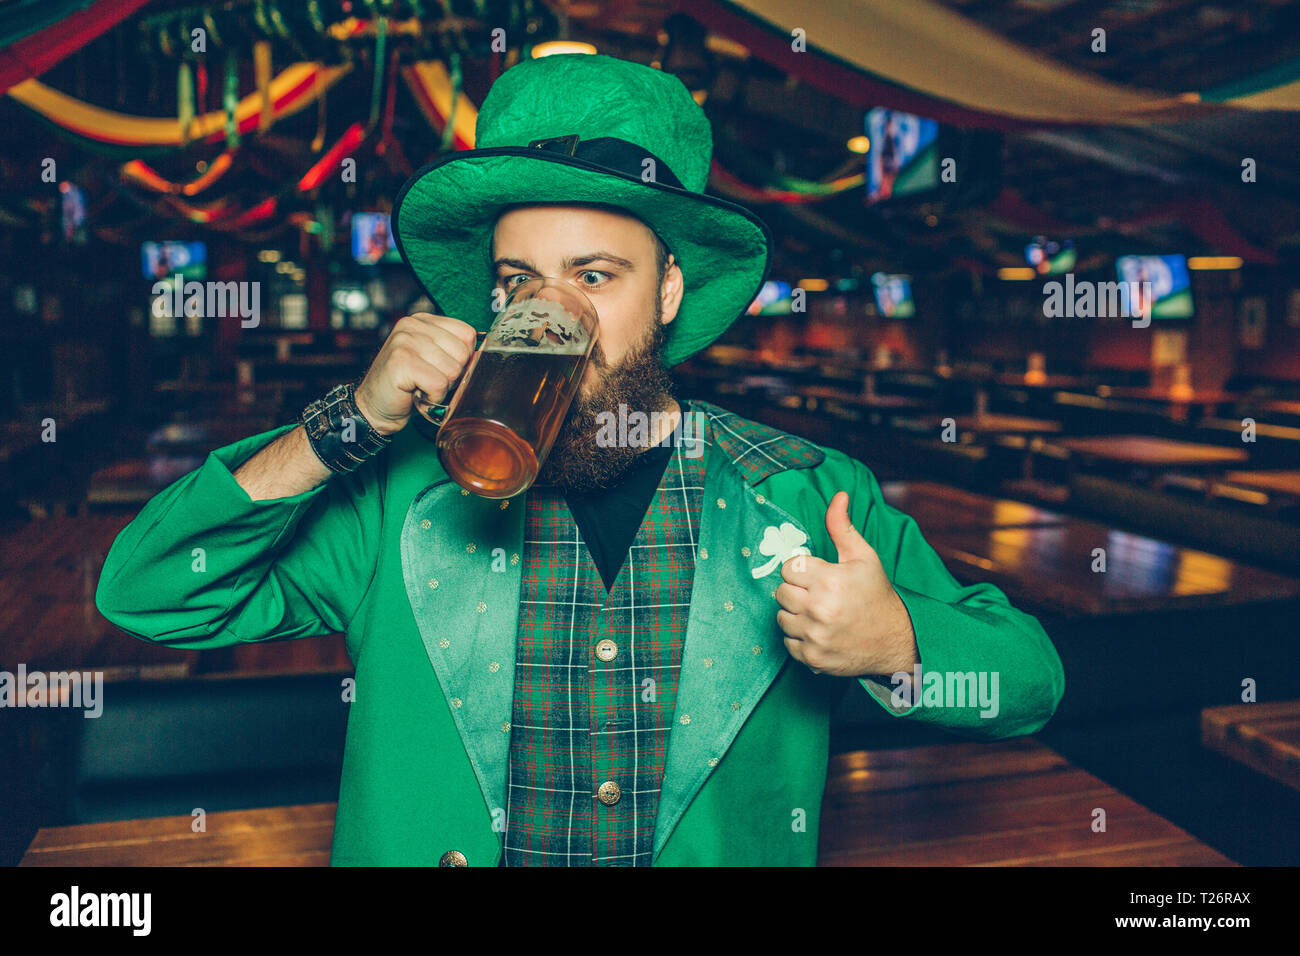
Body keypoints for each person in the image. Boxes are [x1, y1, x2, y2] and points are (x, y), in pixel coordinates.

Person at [97, 53, 1064, 867]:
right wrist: (341, 423)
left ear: (671, 289)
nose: (549, 312)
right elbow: (148, 591)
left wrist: (898, 647)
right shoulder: (394, 500)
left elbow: (1030, 683)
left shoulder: (808, 492)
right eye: (521, 281)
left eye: (595, 276)